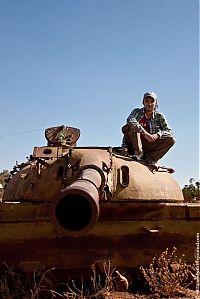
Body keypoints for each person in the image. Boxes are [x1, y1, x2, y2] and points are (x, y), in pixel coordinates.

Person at [122, 92, 175, 166]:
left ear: (156, 103)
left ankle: (150, 158)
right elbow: (130, 120)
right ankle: (138, 154)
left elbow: (169, 131)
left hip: (148, 145)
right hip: (133, 144)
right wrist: (145, 134)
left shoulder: (159, 116)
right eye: (147, 101)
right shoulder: (137, 112)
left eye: (152, 101)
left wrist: (157, 135)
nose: (149, 104)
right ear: (143, 102)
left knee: (171, 139)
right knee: (131, 126)